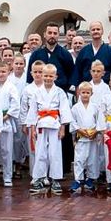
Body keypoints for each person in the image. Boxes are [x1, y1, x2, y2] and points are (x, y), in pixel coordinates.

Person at [27, 64, 71, 194]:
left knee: (55, 153)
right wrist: (32, 128)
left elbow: (64, 110)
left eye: (50, 76)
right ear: (41, 75)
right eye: (45, 75)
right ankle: (39, 178)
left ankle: (55, 179)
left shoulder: (60, 92)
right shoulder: (37, 92)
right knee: (40, 152)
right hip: (40, 124)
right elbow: (33, 111)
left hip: (54, 124)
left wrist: (63, 128)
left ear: (55, 77)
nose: (47, 78)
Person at [70, 81, 103, 193]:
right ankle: (78, 180)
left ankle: (90, 179)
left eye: (87, 92)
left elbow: (100, 121)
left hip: (92, 138)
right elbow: (72, 122)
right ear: (79, 93)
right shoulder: (75, 108)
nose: (85, 94)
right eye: (83, 92)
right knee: (79, 159)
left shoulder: (95, 107)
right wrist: (79, 130)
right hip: (81, 137)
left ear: (91, 93)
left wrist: (95, 131)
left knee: (92, 159)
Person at [0, 60, 20, 186]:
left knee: (7, 150)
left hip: (6, 120)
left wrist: (6, 116)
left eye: (3, 71)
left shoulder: (11, 87)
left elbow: (15, 104)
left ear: (8, 72)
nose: (1, 74)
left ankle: (7, 176)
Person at [73, 21, 111, 89]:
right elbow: (77, 72)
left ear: (102, 31)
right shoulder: (83, 52)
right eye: (93, 30)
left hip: (106, 90)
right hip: (86, 90)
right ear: (90, 32)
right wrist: (77, 89)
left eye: (98, 29)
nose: (95, 31)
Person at [26, 23, 75, 91]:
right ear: (44, 35)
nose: (52, 35)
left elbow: (71, 76)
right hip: (38, 93)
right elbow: (30, 76)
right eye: (49, 33)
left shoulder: (65, 54)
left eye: (55, 33)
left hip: (59, 93)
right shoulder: (36, 55)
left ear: (58, 35)